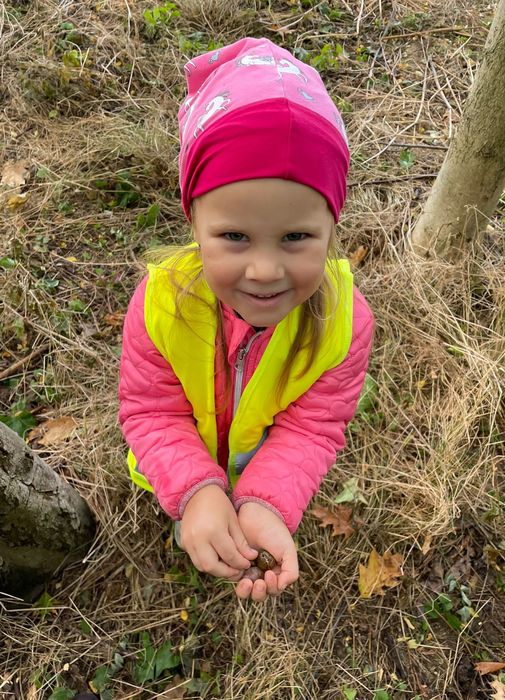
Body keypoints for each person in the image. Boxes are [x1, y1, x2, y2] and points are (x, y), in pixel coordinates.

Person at [118, 37, 374, 602]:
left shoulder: (344, 324)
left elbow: (311, 428)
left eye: (296, 237)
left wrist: (265, 503)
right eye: (235, 236)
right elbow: (152, 411)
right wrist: (195, 493)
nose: (264, 270)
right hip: (179, 463)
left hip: (262, 465)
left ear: (332, 227)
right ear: (193, 221)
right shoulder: (160, 305)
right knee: (197, 515)